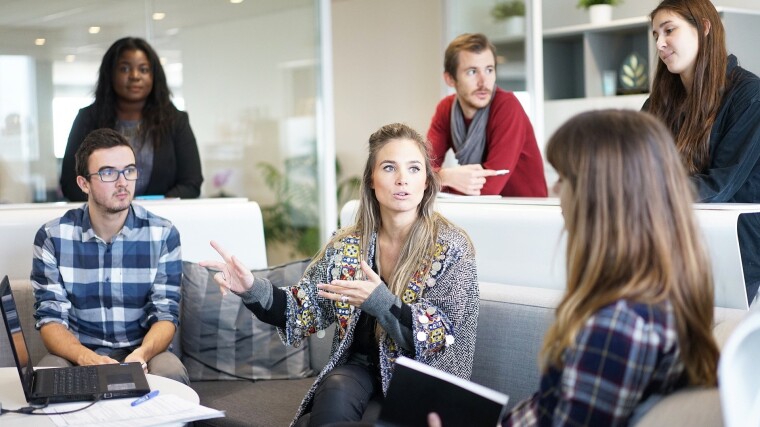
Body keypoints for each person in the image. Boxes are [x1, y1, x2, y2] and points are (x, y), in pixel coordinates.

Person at [201, 123, 479, 426]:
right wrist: (251, 288)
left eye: (413, 169)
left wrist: (380, 302)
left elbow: (438, 335)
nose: (402, 179)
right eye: (389, 167)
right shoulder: (348, 245)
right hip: (358, 369)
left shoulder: (451, 247)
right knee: (332, 395)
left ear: (426, 181)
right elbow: (302, 309)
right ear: (371, 180)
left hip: (421, 378)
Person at [489, 110, 719, 425]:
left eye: (564, 178)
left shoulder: (617, 326)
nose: (555, 191)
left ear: (598, 196)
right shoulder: (660, 295)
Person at [32, 128, 188, 384]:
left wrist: (141, 354)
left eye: (129, 170)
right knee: (46, 375)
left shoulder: (163, 234)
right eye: (108, 173)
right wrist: (86, 358)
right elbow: (50, 319)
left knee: (171, 372)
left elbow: (165, 314)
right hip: (77, 353)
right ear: (84, 183)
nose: (122, 182)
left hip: (143, 352)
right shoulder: (52, 237)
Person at [643, 0, 760, 304]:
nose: (660, 43)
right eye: (655, 34)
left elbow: (720, 186)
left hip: (736, 246)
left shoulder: (749, 94)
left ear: (704, 28)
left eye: (669, 30)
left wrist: (644, 192)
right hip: (673, 238)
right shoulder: (658, 104)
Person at [60, 36, 203, 201]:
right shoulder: (88, 119)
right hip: (102, 222)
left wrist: (154, 210)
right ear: (110, 74)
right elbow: (70, 184)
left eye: (144, 69)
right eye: (124, 69)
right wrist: (112, 207)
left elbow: (191, 183)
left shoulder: (176, 121)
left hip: (161, 220)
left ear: (154, 76)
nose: (135, 76)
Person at [426, 33, 547, 197]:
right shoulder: (445, 109)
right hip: (481, 211)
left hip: (525, 212)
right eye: (472, 72)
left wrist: (436, 179)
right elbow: (421, 170)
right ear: (450, 79)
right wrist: (445, 176)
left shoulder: (507, 106)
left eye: (489, 70)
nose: (483, 82)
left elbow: (488, 188)